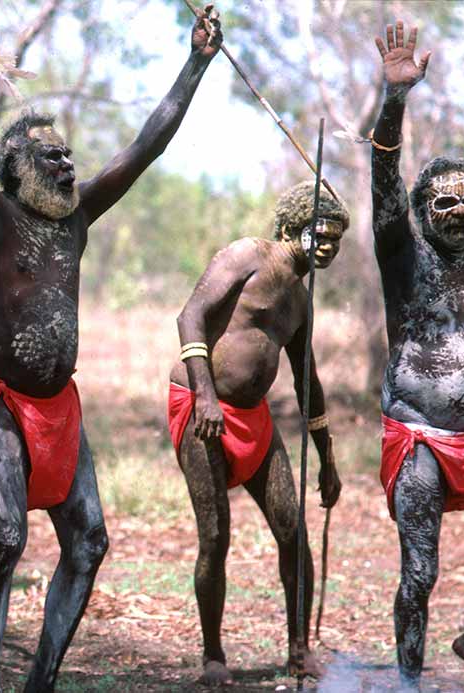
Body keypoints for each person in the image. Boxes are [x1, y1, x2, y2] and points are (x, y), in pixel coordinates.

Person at [0, 0, 222, 687]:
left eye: (70, 155)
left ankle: (41, 679)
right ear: (18, 168)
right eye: (53, 157)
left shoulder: (77, 219)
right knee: (6, 540)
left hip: (59, 408)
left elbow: (147, 145)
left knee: (90, 541)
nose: (70, 165)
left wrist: (195, 62)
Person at [169, 181, 346, 685]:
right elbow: (189, 316)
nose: (328, 246)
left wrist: (327, 457)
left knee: (293, 530)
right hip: (201, 408)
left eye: (335, 239)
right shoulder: (247, 255)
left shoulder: (301, 301)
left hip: (254, 419)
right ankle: (213, 656)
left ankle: (299, 650)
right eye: (320, 234)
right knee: (215, 536)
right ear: (291, 228)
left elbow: (308, 381)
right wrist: (205, 395)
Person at [369, 21, 464, 692]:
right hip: (421, 440)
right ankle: (407, 682)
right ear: (422, 211)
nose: (460, 212)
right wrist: (395, 100)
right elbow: (384, 177)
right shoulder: (403, 253)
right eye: (445, 202)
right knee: (420, 574)